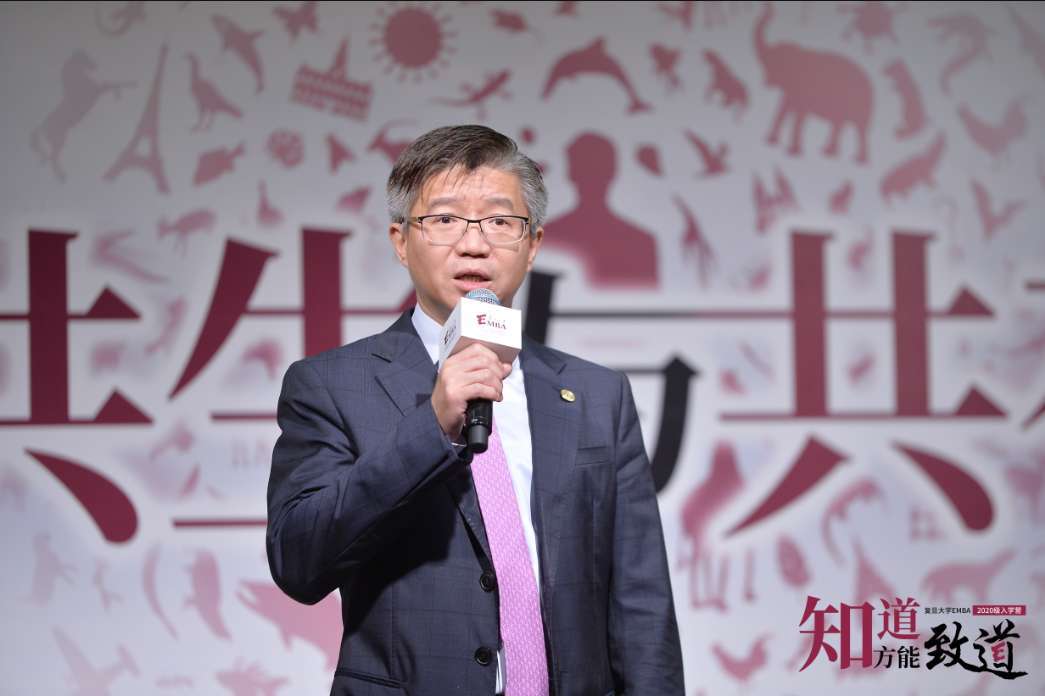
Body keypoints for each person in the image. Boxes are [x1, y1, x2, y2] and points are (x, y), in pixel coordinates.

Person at [266, 124, 683, 695]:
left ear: (532, 245)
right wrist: (431, 427)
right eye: (444, 219)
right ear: (400, 241)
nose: (474, 244)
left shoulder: (596, 395)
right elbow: (298, 561)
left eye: (499, 221)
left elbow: (642, 601)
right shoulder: (331, 385)